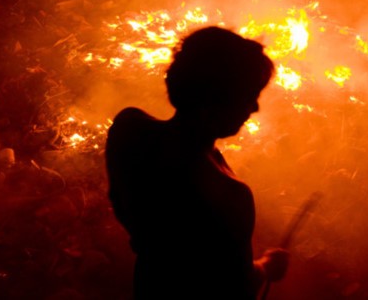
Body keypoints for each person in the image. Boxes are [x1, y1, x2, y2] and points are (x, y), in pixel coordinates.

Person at [105, 26, 289, 299]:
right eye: (249, 96)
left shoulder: (129, 130)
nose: (254, 108)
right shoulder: (230, 195)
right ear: (212, 102)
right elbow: (234, 287)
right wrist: (266, 267)